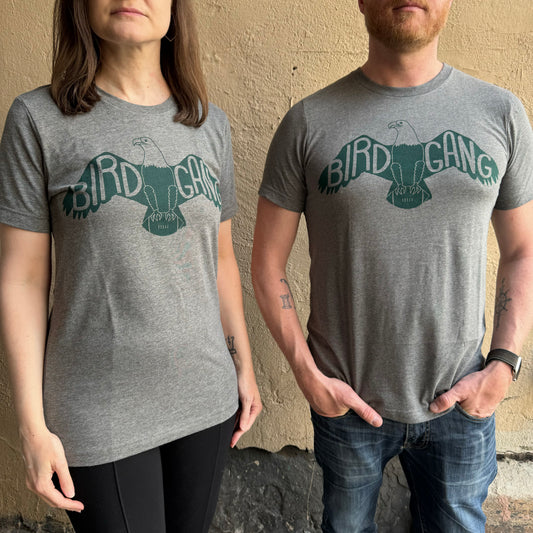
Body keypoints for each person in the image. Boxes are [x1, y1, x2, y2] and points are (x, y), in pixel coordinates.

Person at [252, 0, 533, 531]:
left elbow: (524, 251)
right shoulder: (309, 120)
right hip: (348, 403)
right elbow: (267, 266)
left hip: (462, 398)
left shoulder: (500, 113)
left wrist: (503, 364)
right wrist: (308, 376)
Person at [0, 1, 262, 532]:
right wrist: (31, 424)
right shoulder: (38, 120)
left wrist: (243, 362)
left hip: (203, 398)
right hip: (97, 406)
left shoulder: (209, 125)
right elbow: (22, 279)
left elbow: (220, 259)